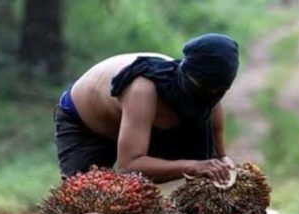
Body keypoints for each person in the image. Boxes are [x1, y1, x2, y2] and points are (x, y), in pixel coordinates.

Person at [54, 33, 239, 184]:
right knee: (87, 199)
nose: (213, 95)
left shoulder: (210, 97)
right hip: (87, 124)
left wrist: (224, 166)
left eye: (219, 91)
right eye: (206, 88)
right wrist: (193, 166)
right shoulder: (143, 89)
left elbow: (218, 157)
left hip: (137, 130)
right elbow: (129, 166)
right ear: (187, 74)